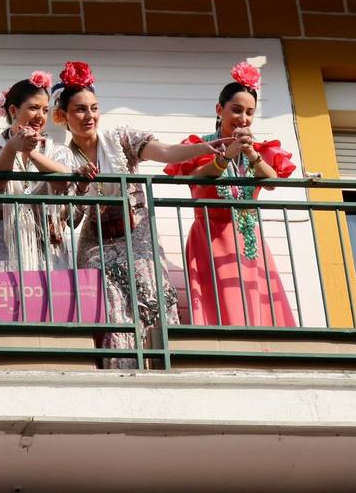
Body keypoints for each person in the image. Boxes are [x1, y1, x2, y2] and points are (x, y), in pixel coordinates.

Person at [49, 60, 231, 363]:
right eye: (80, 109)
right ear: (63, 115)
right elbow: (71, 219)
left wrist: (205, 148)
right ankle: (120, 370)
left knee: (155, 296)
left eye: (94, 108)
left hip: (138, 236)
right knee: (113, 308)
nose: (89, 116)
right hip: (97, 245)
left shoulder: (120, 140)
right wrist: (80, 185)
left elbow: (166, 152)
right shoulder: (63, 158)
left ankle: (162, 369)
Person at [164, 59, 299, 327]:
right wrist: (226, 156)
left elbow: (272, 182)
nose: (243, 118)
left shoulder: (258, 150)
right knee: (220, 303)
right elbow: (196, 180)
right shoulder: (201, 146)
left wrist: (250, 153)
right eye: (236, 110)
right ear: (220, 110)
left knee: (253, 302)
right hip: (211, 235)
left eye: (250, 113)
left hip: (248, 237)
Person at [0, 72, 71, 274]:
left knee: (48, 295)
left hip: (45, 251)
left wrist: (30, 152)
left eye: (45, 110)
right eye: (33, 108)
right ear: (13, 110)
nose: (41, 116)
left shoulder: (57, 151)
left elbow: (63, 182)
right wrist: (11, 148)